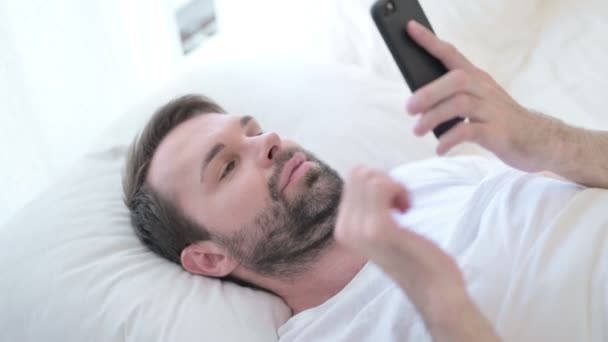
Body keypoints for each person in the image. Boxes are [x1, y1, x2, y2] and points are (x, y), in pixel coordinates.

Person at [122, 21, 608, 341]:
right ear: (210, 257)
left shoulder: (422, 180)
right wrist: (431, 291)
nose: (267, 140)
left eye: (251, 131)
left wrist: (544, 140)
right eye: (227, 166)